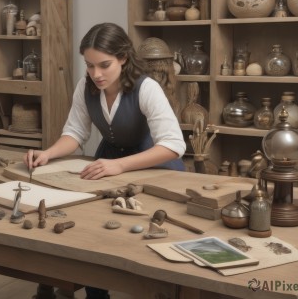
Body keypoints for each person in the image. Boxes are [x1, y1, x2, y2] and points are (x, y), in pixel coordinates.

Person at [25, 22, 186, 299]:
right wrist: (48, 153)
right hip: (109, 162)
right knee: (92, 230)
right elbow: (75, 133)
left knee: (145, 237)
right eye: (89, 65)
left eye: (104, 65)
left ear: (123, 58)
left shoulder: (146, 88)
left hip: (153, 166)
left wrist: (120, 165)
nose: (96, 74)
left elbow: (173, 145)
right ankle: (97, 293)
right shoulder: (85, 86)